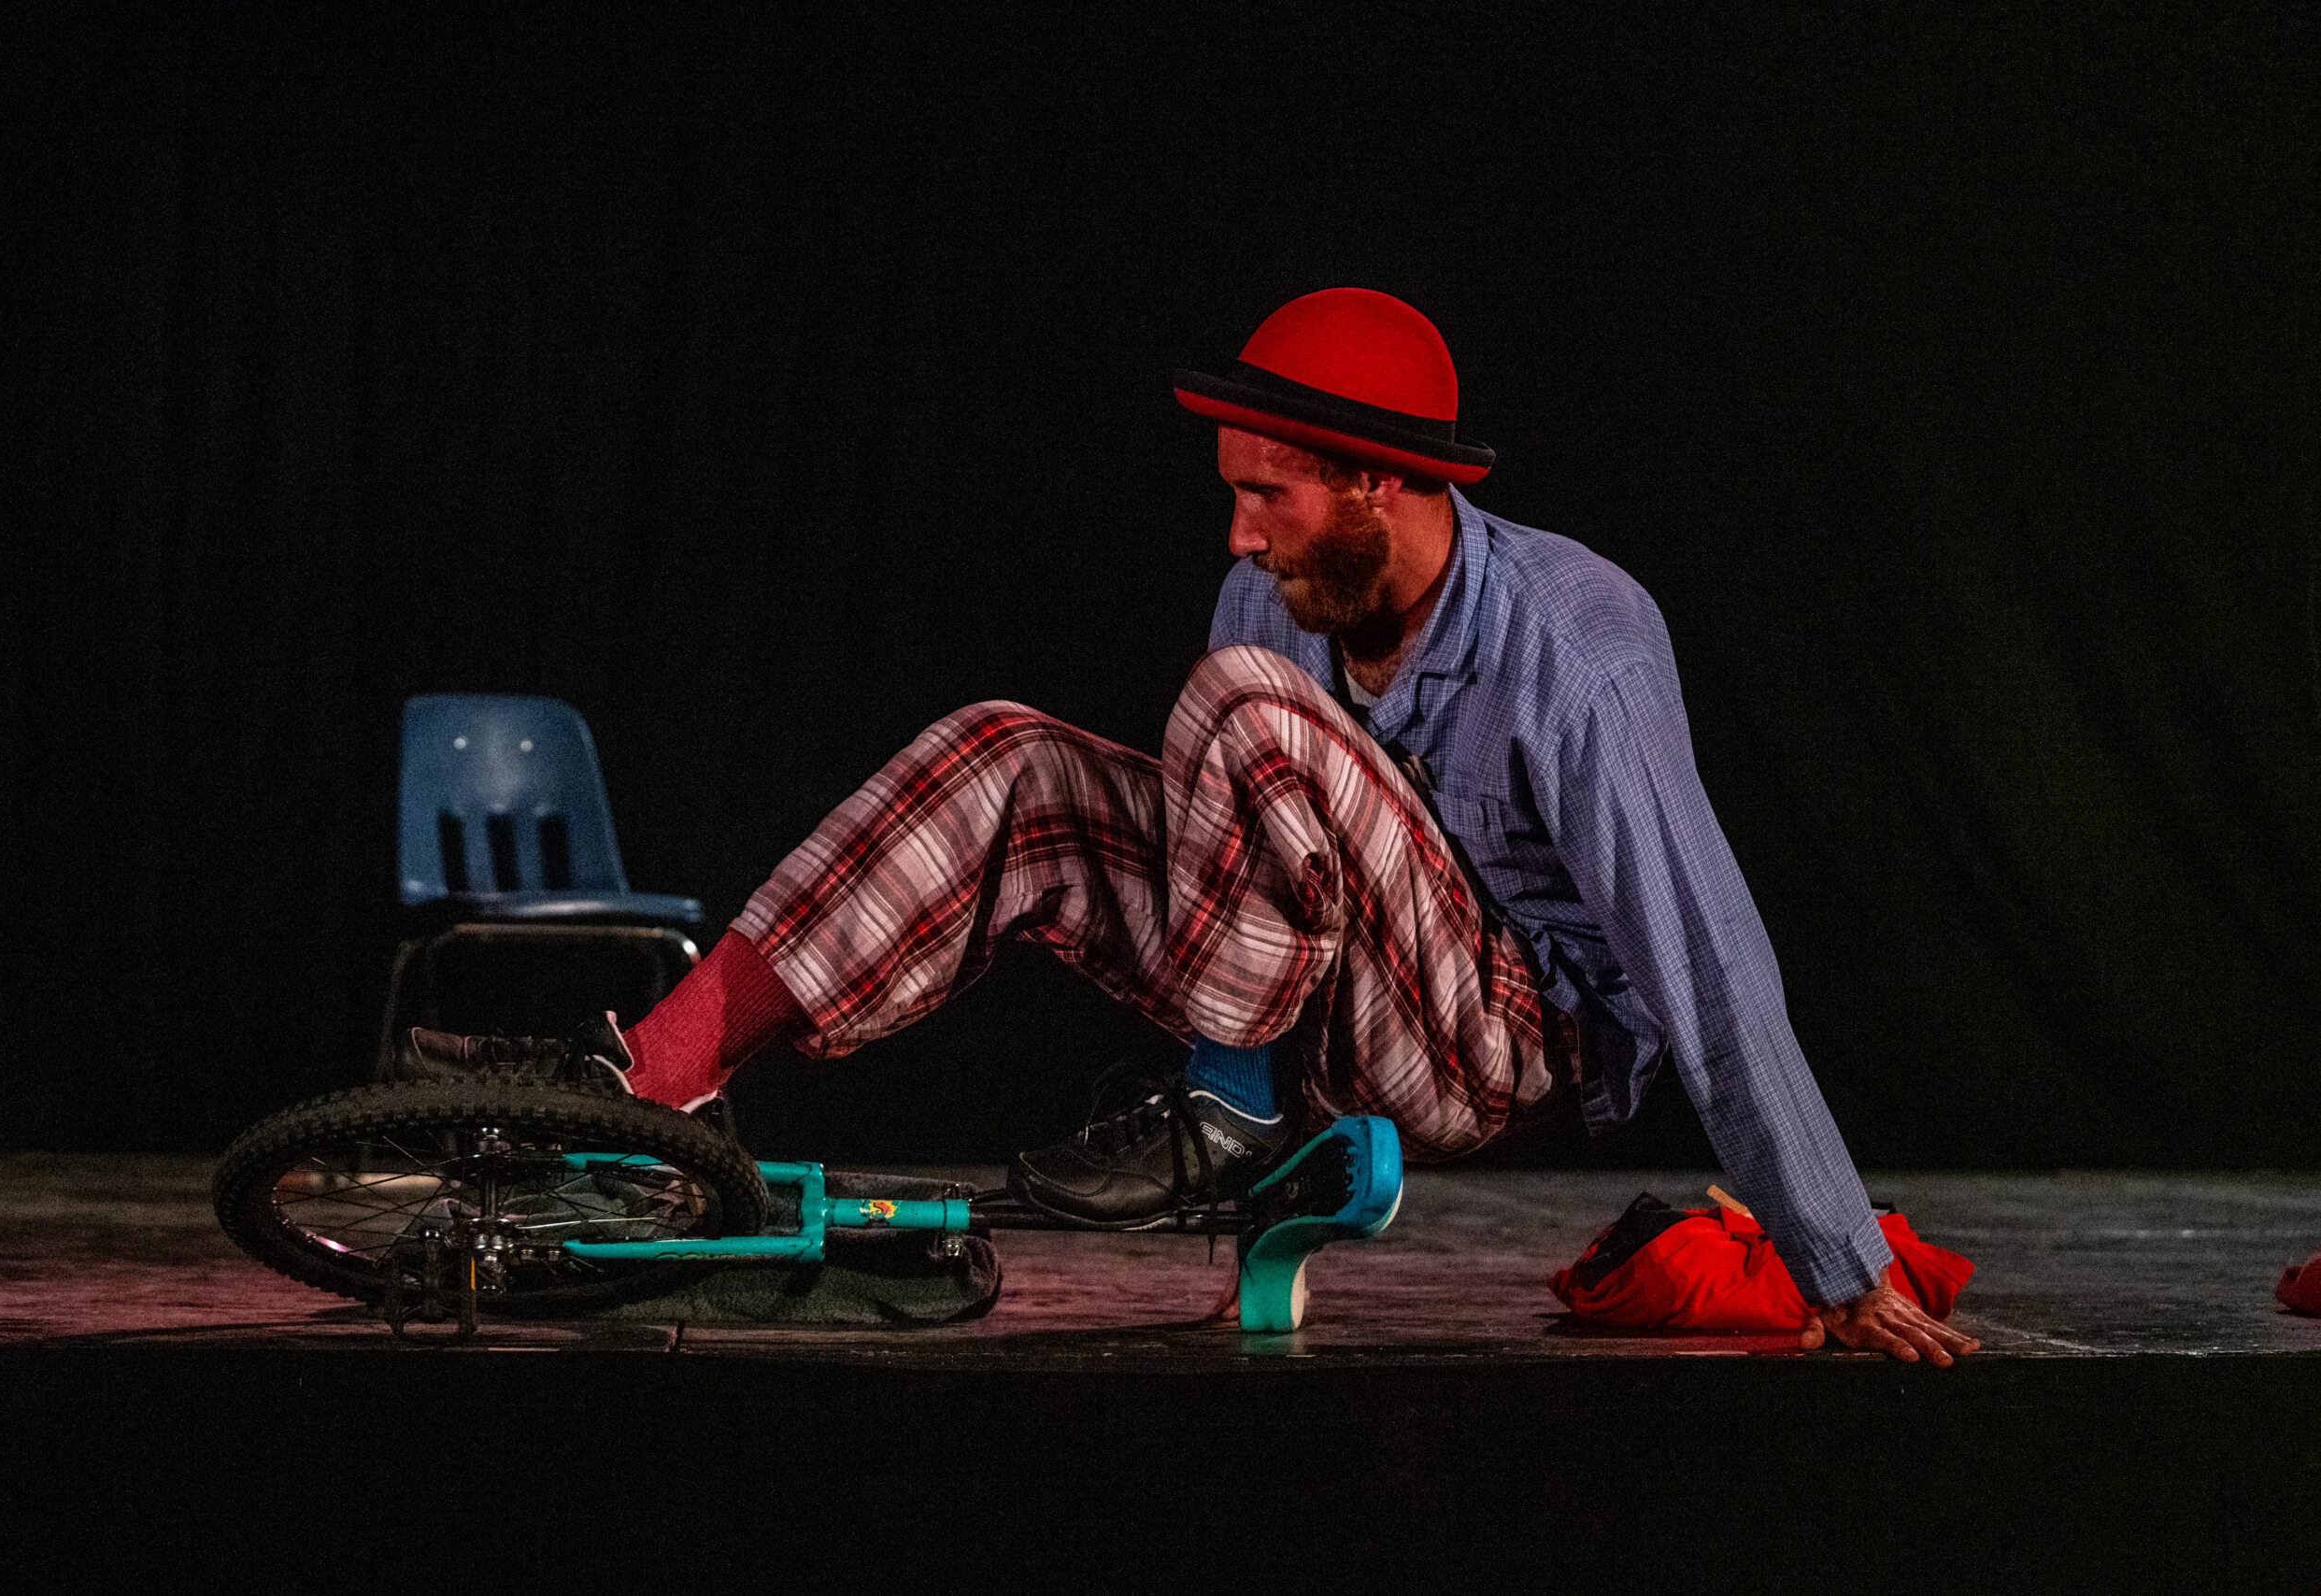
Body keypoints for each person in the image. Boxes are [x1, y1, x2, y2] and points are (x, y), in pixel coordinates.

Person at [406, 287, 1978, 1365]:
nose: (1237, 532)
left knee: (1243, 703)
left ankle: (1216, 1113)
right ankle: (648, 1094)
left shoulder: (1580, 645)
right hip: (1305, 999)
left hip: (1506, 1049)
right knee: (1007, 752)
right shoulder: (1273, 594)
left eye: (1271, 497)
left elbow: (1708, 964)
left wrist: (1835, 1260)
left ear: (1376, 483)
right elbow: (1229, 842)